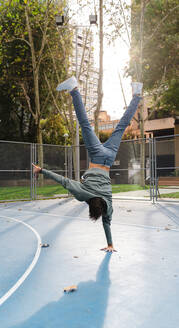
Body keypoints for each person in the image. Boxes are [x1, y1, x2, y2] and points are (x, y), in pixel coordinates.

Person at [33, 77, 143, 252]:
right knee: (85, 124)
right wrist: (42, 170)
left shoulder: (108, 204)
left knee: (121, 126)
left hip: (109, 159)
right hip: (98, 157)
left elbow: (107, 223)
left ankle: (137, 94)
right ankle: (74, 89)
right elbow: (64, 181)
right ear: (90, 204)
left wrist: (110, 245)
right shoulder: (83, 195)